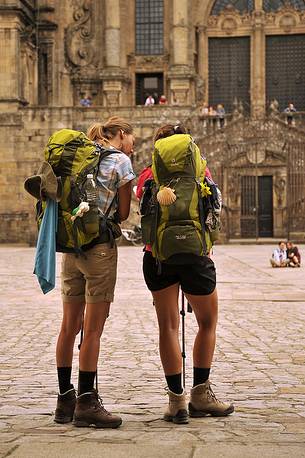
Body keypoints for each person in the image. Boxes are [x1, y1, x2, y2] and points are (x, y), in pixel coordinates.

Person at [137, 124, 234, 425]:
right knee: (207, 322)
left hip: (158, 257)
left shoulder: (148, 173)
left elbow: (140, 204)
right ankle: (201, 395)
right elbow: (214, 206)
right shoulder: (200, 171)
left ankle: (176, 402)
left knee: (167, 326)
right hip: (195, 257)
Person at [55, 117, 136, 428]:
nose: (133, 144)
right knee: (93, 329)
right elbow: (125, 213)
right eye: (131, 137)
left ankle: (65, 399)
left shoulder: (79, 157)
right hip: (99, 249)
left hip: (71, 247)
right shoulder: (120, 161)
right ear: (119, 134)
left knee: (68, 326)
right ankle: (87, 401)